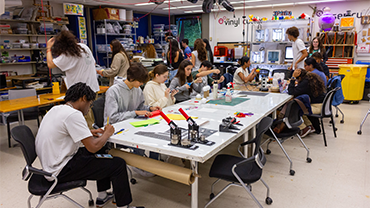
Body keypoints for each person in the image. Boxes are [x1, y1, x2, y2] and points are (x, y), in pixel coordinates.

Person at [35, 82, 144, 208]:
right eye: (90, 104)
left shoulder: (57, 109)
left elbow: (64, 133)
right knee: (118, 164)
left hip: (51, 163)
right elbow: (92, 147)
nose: (89, 109)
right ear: (83, 99)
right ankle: (124, 206)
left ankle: (102, 196)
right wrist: (107, 134)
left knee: (103, 150)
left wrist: (89, 133)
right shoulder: (74, 114)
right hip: (61, 169)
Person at [46, 30, 99, 129]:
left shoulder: (67, 54)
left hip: (80, 93)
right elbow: (93, 63)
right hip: (93, 87)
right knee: (88, 116)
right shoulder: (84, 47)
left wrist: (48, 49)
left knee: (82, 120)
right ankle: (89, 138)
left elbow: (50, 64)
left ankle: (88, 141)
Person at [288, 68, 326, 137]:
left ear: (299, 77)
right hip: (322, 105)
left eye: (297, 79)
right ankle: (310, 126)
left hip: (317, 106)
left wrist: (293, 78)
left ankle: (303, 128)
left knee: (294, 107)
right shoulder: (309, 78)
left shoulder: (305, 82)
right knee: (300, 104)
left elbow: (291, 91)